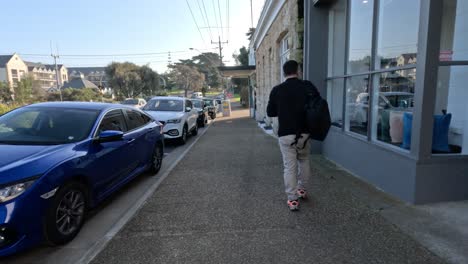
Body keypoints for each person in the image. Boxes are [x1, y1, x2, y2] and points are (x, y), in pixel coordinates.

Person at [266, 60, 319, 211]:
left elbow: (271, 112)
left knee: (289, 167)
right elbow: (317, 106)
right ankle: (302, 189)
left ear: (284, 73)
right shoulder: (307, 87)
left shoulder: (277, 90)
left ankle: (292, 200)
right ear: (298, 70)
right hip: (305, 133)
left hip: (286, 135)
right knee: (304, 160)